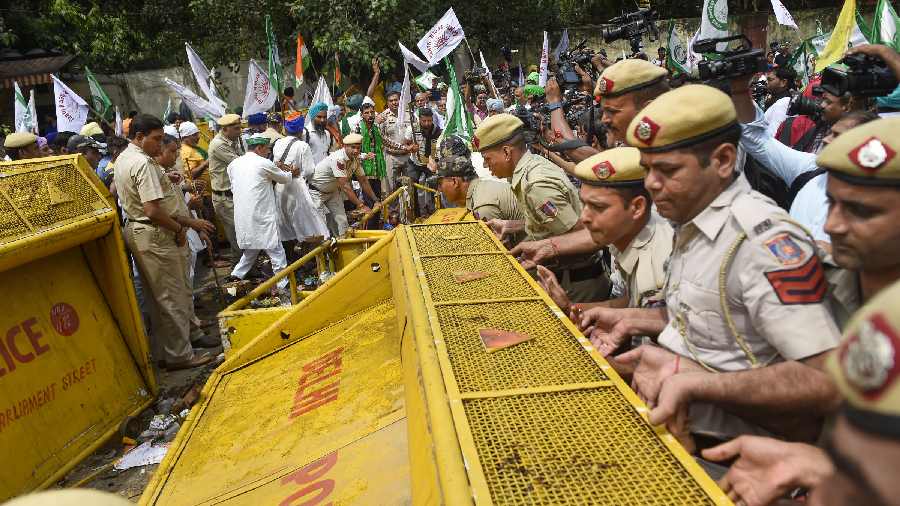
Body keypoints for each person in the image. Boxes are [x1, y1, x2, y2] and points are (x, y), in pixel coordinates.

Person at [582, 85, 842, 449]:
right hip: (685, 434)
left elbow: (824, 380)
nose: (651, 184)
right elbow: (711, 320)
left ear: (722, 161)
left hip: (740, 456)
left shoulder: (760, 244)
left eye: (668, 170)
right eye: (648, 169)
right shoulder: (692, 222)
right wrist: (633, 319)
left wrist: (698, 383)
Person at [699, 116, 900, 506]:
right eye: (831, 203)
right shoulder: (825, 276)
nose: (832, 225)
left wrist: (827, 472)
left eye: (861, 212)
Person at [536, 148, 673, 341]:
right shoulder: (629, 232)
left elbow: (650, 350)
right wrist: (569, 307)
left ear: (637, 207)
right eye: (584, 204)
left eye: (598, 207)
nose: (584, 217)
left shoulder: (655, 272)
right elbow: (632, 304)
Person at [115, 114, 215, 370]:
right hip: (156, 232)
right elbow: (152, 210)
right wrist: (179, 228)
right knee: (172, 297)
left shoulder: (125, 158)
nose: (160, 145)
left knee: (159, 297)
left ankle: (167, 351)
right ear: (140, 137)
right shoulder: (143, 163)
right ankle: (180, 355)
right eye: (157, 139)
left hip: (141, 231)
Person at [475, 113, 610, 303]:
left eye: (487, 158)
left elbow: (583, 234)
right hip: (567, 280)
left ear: (506, 152)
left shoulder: (535, 185)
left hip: (575, 285)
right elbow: (553, 224)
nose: (485, 165)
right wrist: (513, 225)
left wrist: (546, 250)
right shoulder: (531, 168)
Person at [547, 58, 669, 163]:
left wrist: (554, 103)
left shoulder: (660, 150)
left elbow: (593, 159)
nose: (604, 119)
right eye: (603, 111)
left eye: (613, 111)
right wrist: (590, 86)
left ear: (647, 109)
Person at [226, 134, 298, 291]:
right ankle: (283, 286)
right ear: (259, 148)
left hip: (243, 215)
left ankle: (235, 278)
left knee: (252, 250)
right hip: (261, 216)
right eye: (267, 149)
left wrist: (273, 167)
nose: (268, 152)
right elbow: (284, 179)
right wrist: (292, 172)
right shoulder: (263, 163)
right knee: (276, 252)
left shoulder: (233, 164)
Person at [272, 114, 330, 261]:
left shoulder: (278, 143)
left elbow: (276, 165)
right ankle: (311, 258)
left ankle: (291, 259)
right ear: (300, 131)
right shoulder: (302, 146)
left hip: (280, 187)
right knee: (307, 222)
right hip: (296, 187)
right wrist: (298, 174)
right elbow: (309, 171)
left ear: (285, 129)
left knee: (285, 222)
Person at [432, 138, 524, 223]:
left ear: (454, 182)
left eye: (440, 184)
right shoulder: (479, 190)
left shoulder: (482, 206)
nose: (439, 189)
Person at [308, 133, 380, 237]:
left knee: (342, 223)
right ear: (344, 146)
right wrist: (361, 206)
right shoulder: (338, 159)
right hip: (316, 193)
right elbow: (346, 187)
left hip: (333, 192)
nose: (356, 151)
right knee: (321, 229)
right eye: (353, 147)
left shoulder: (355, 158)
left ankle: (342, 245)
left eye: (358, 148)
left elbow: (363, 181)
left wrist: (376, 200)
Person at [207, 113, 245, 259]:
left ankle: (243, 265)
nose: (239, 131)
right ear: (225, 129)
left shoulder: (232, 140)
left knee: (241, 234)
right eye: (236, 129)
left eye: (239, 128)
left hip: (232, 196)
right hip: (224, 198)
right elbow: (240, 163)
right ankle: (240, 267)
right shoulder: (219, 144)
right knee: (237, 237)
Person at [378, 83, 413, 192]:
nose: (394, 102)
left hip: (408, 156)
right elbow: (381, 137)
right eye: (391, 101)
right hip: (391, 156)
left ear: (400, 100)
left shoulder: (409, 114)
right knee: (390, 188)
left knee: (409, 188)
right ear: (387, 103)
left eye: (396, 100)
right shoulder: (383, 117)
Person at [407, 108, 442, 215]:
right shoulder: (412, 129)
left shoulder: (437, 131)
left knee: (435, 185)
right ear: (419, 120)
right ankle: (416, 213)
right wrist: (411, 147)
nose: (427, 123)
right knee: (411, 185)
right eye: (424, 121)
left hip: (431, 163)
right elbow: (406, 143)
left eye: (429, 121)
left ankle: (436, 210)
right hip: (415, 162)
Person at [762, 66, 797, 137]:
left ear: (783, 82)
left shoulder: (783, 103)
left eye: (770, 80)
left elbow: (774, 135)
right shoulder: (780, 100)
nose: (767, 83)